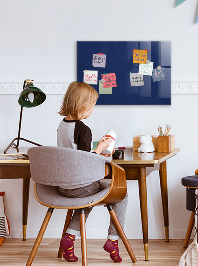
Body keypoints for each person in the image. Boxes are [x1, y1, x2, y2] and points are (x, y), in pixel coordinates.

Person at [57, 81, 127, 263]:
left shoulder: (62, 125)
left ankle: (69, 238)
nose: (93, 109)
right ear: (83, 105)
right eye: (92, 105)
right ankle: (113, 240)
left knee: (87, 198)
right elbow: (84, 161)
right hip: (80, 186)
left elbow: (74, 154)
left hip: (63, 186)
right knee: (122, 194)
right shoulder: (83, 129)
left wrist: (96, 149)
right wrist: (101, 149)